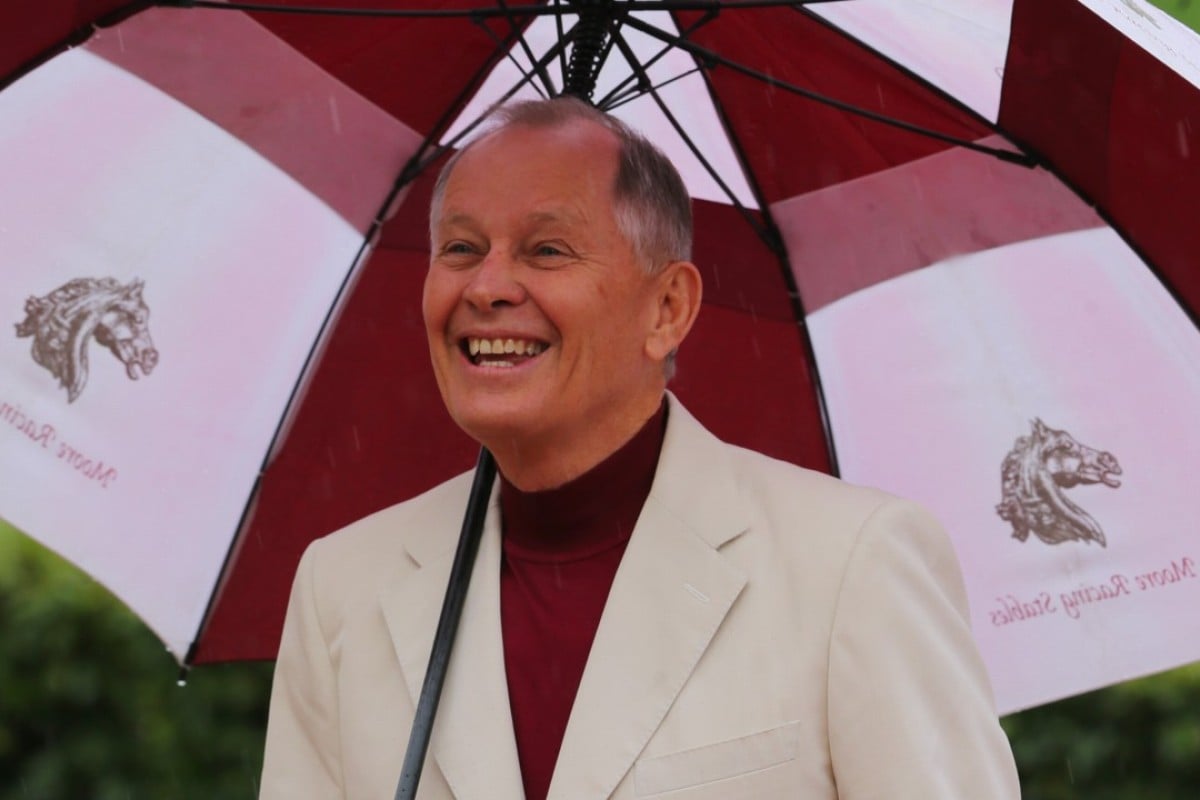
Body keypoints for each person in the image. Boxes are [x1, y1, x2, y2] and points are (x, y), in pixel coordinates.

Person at [260, 97, 1021, 800]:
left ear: (668, 307)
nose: (487, 286)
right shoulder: (342, 588)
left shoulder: (851, 565)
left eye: (547, 250)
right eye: (460, 247)